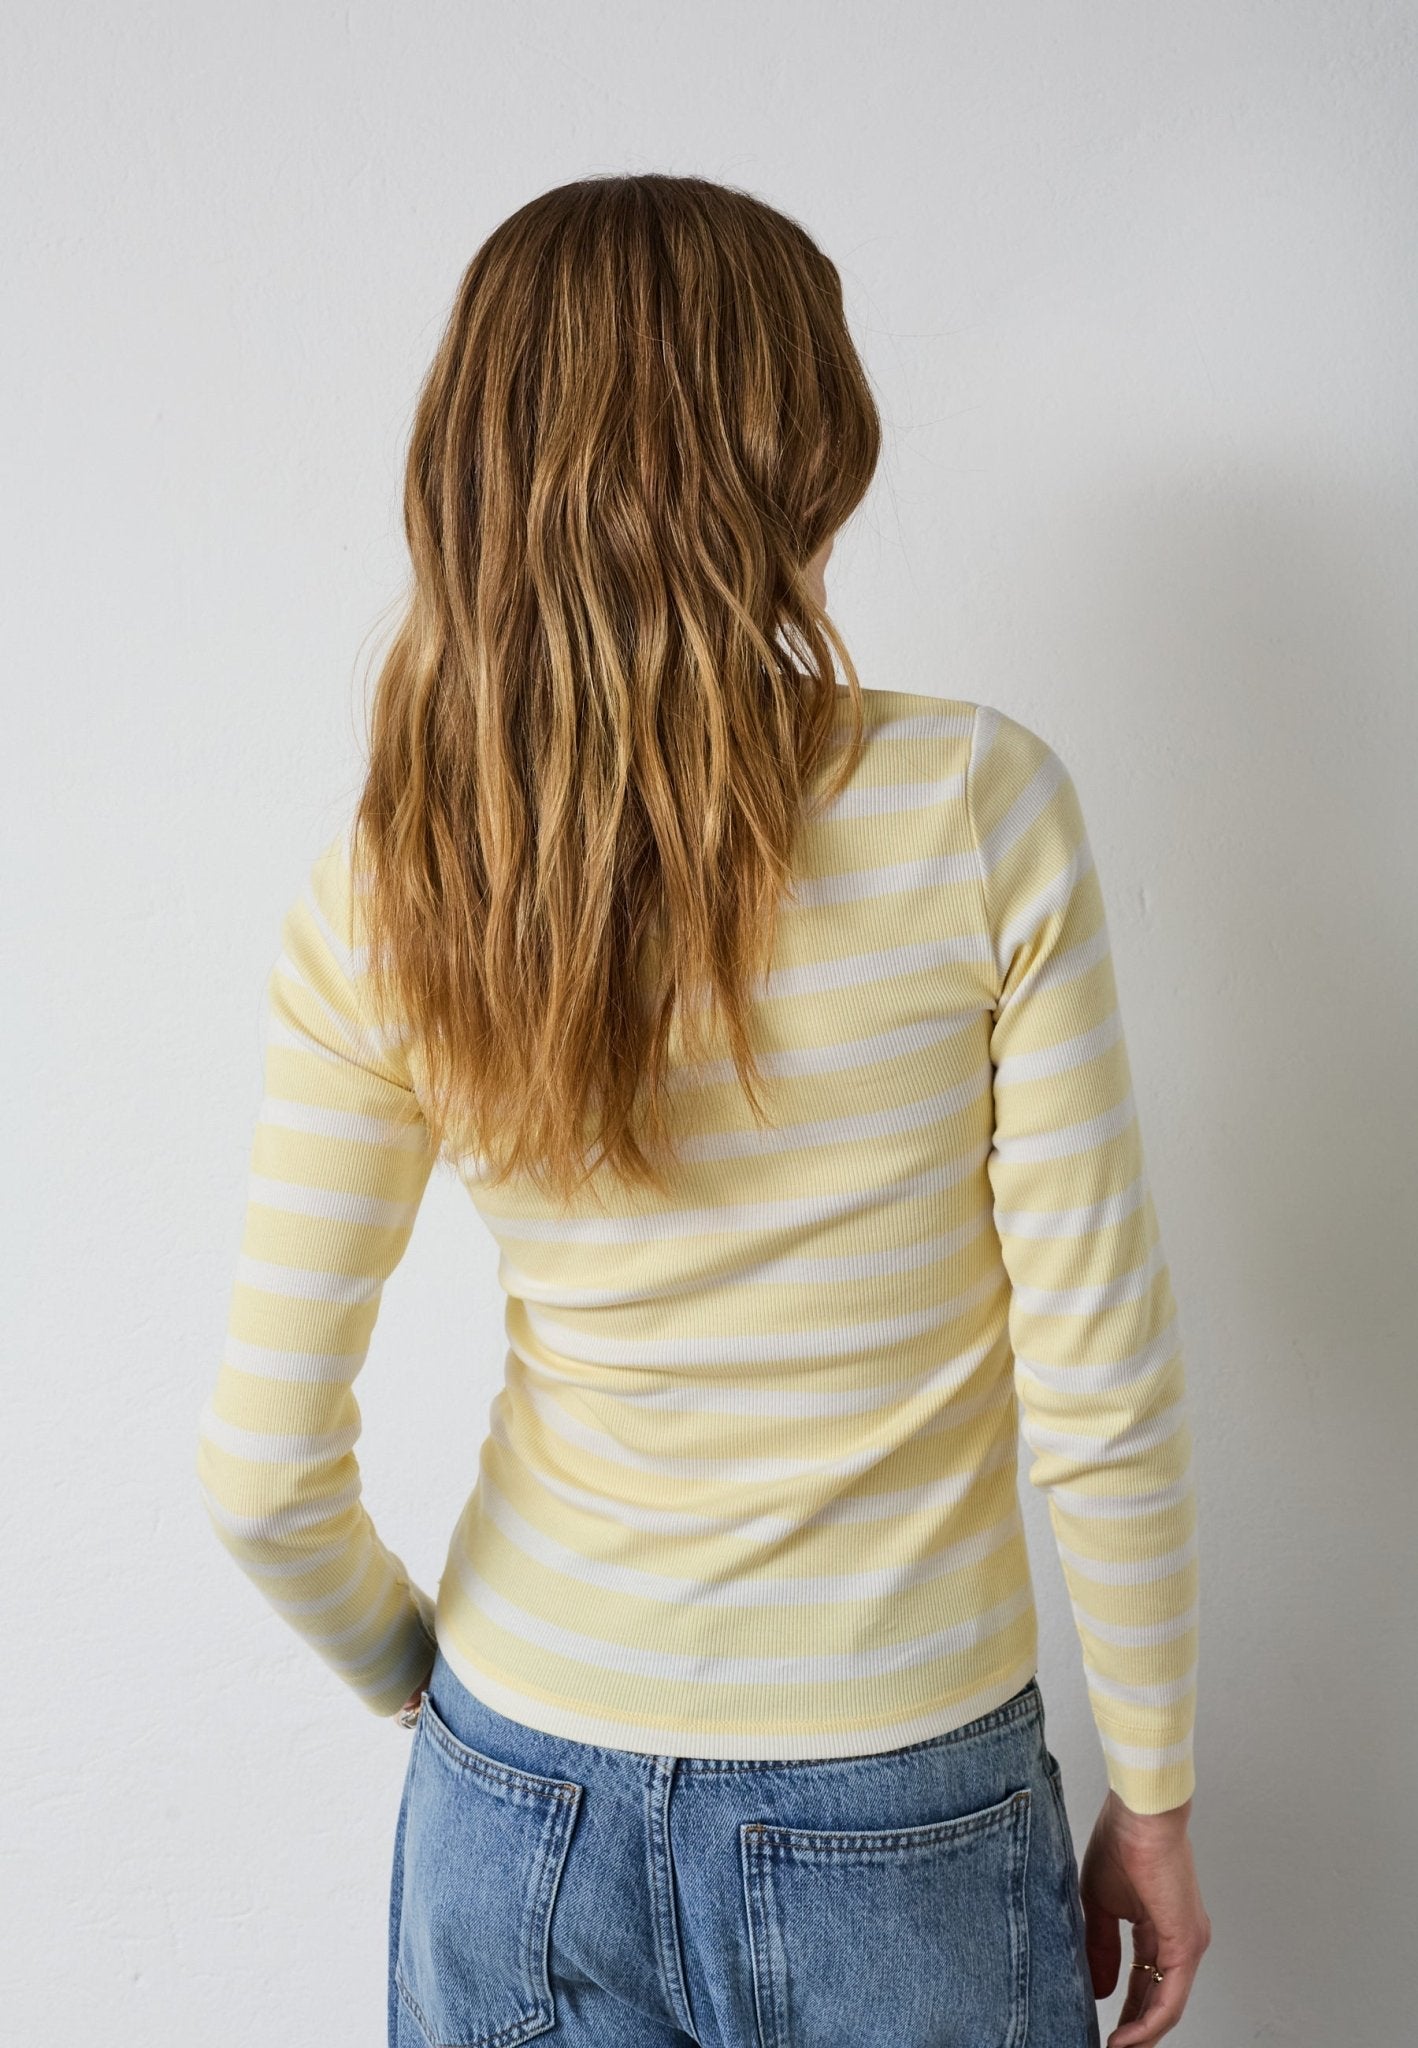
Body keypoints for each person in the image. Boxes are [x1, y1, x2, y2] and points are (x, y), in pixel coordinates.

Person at [196, 172, 1210, 2048]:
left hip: (515, 1782)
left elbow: (258, 1472)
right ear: (794, 447)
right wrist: (1149, 1793)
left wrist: (429, 1687)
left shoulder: (390, 882)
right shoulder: (974, 808)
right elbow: (1100, 1378)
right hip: (896, 1800)